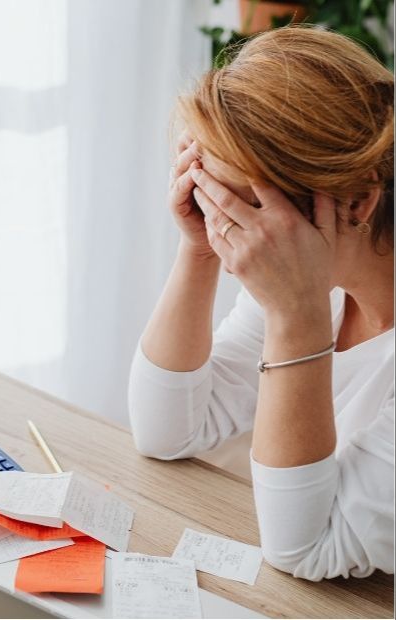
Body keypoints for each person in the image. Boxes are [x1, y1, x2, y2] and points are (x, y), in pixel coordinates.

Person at [127, 26, 394, 581]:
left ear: (359, 199)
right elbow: (167, 431)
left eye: (244, 207)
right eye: (209, 197)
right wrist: (196, 249)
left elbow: (305, 549)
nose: (230, 234)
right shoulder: (326, 279)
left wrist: (296, 318)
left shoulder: (302, 288)